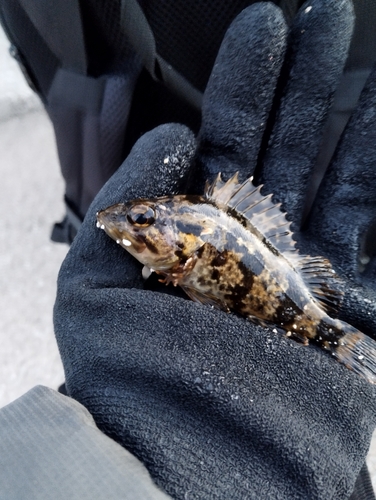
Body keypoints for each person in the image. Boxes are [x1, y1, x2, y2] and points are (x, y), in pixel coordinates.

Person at [1, 0, 376, 499]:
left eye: (140, 222)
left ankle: (346, 343)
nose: (121, 225)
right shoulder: (180, 248)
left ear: (181, 247)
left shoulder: (190, 249)